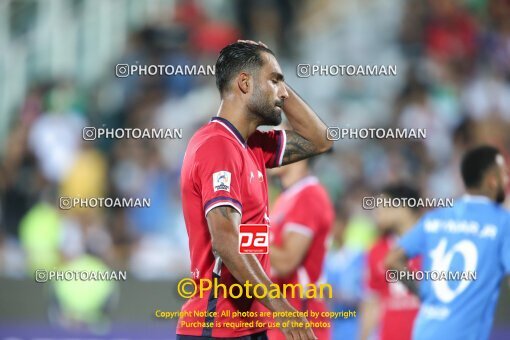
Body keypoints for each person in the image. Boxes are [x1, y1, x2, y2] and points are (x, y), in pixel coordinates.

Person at [177, 40, 332, 340]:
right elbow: (226, 242)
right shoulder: (216, 146)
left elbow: (320, 140)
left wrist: (277, 84)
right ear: (245, 83)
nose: (284, 93)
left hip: (250, 325)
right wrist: (282, 308)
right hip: (216, 326)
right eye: (274, 81)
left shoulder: (254, 146)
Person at [386, 145, 510, 340]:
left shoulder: (436, 217)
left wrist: (423, 294)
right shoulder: (503, 223)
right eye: (504, 174)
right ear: (491, 181)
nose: (507, 180)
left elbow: (392, 260)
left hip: (424, 331)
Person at [267, 156, 335, 340]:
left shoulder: (309, 196)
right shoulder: (285, 198)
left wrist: (243, 233)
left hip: (301, 317)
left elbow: (287, 262)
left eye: (280, 145)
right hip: (281, 315)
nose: (271, 153)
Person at [359, 185, 422, 340]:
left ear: (403, 208)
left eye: (383, 206)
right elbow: (372, 302)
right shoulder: (376, 250)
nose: (377, 212)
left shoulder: (433, 243)